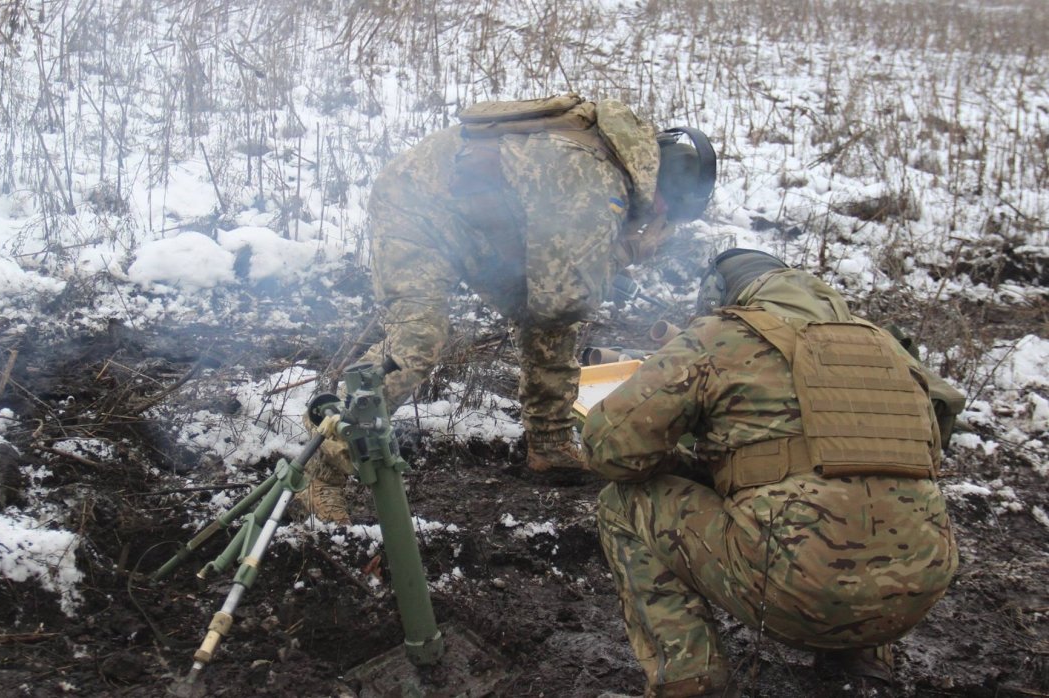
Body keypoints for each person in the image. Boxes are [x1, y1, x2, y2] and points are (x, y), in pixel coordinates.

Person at [298, 95, 716, 524]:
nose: (659, 222)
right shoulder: (593, 180)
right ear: (663, 195)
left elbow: (554, 299)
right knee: (417, 339)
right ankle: (321, 471)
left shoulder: (617, 159)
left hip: (484, 226)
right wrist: (625, 250)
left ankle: (550, 445)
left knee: (551, 323)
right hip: (417, 210)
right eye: (668, 215)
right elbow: (564, 297)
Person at [582, 249, 963, 698]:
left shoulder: (721, 335)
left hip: (795, 592)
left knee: (622, 503)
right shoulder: (886, 345)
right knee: (873, 494)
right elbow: (932, 439)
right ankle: (860, 665)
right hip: (916, 592)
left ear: (724, 296)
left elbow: (609, 448)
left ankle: (688, 679)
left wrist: (696, 457)